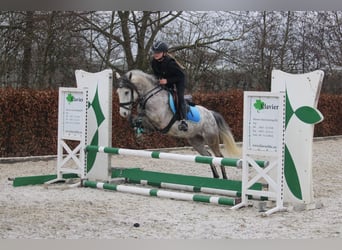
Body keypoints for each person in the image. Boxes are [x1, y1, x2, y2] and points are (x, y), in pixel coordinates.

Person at [150, 41, 188, 132]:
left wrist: (167, 81)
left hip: (178, 80)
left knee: (179, 97)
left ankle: (183, 121)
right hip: (165, 80)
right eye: (154, 52)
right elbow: (156, 74)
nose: (155, 54)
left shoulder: (170, 63)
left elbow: (181, 76)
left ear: (164, 53)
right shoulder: (153, 62)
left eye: (158, 52)